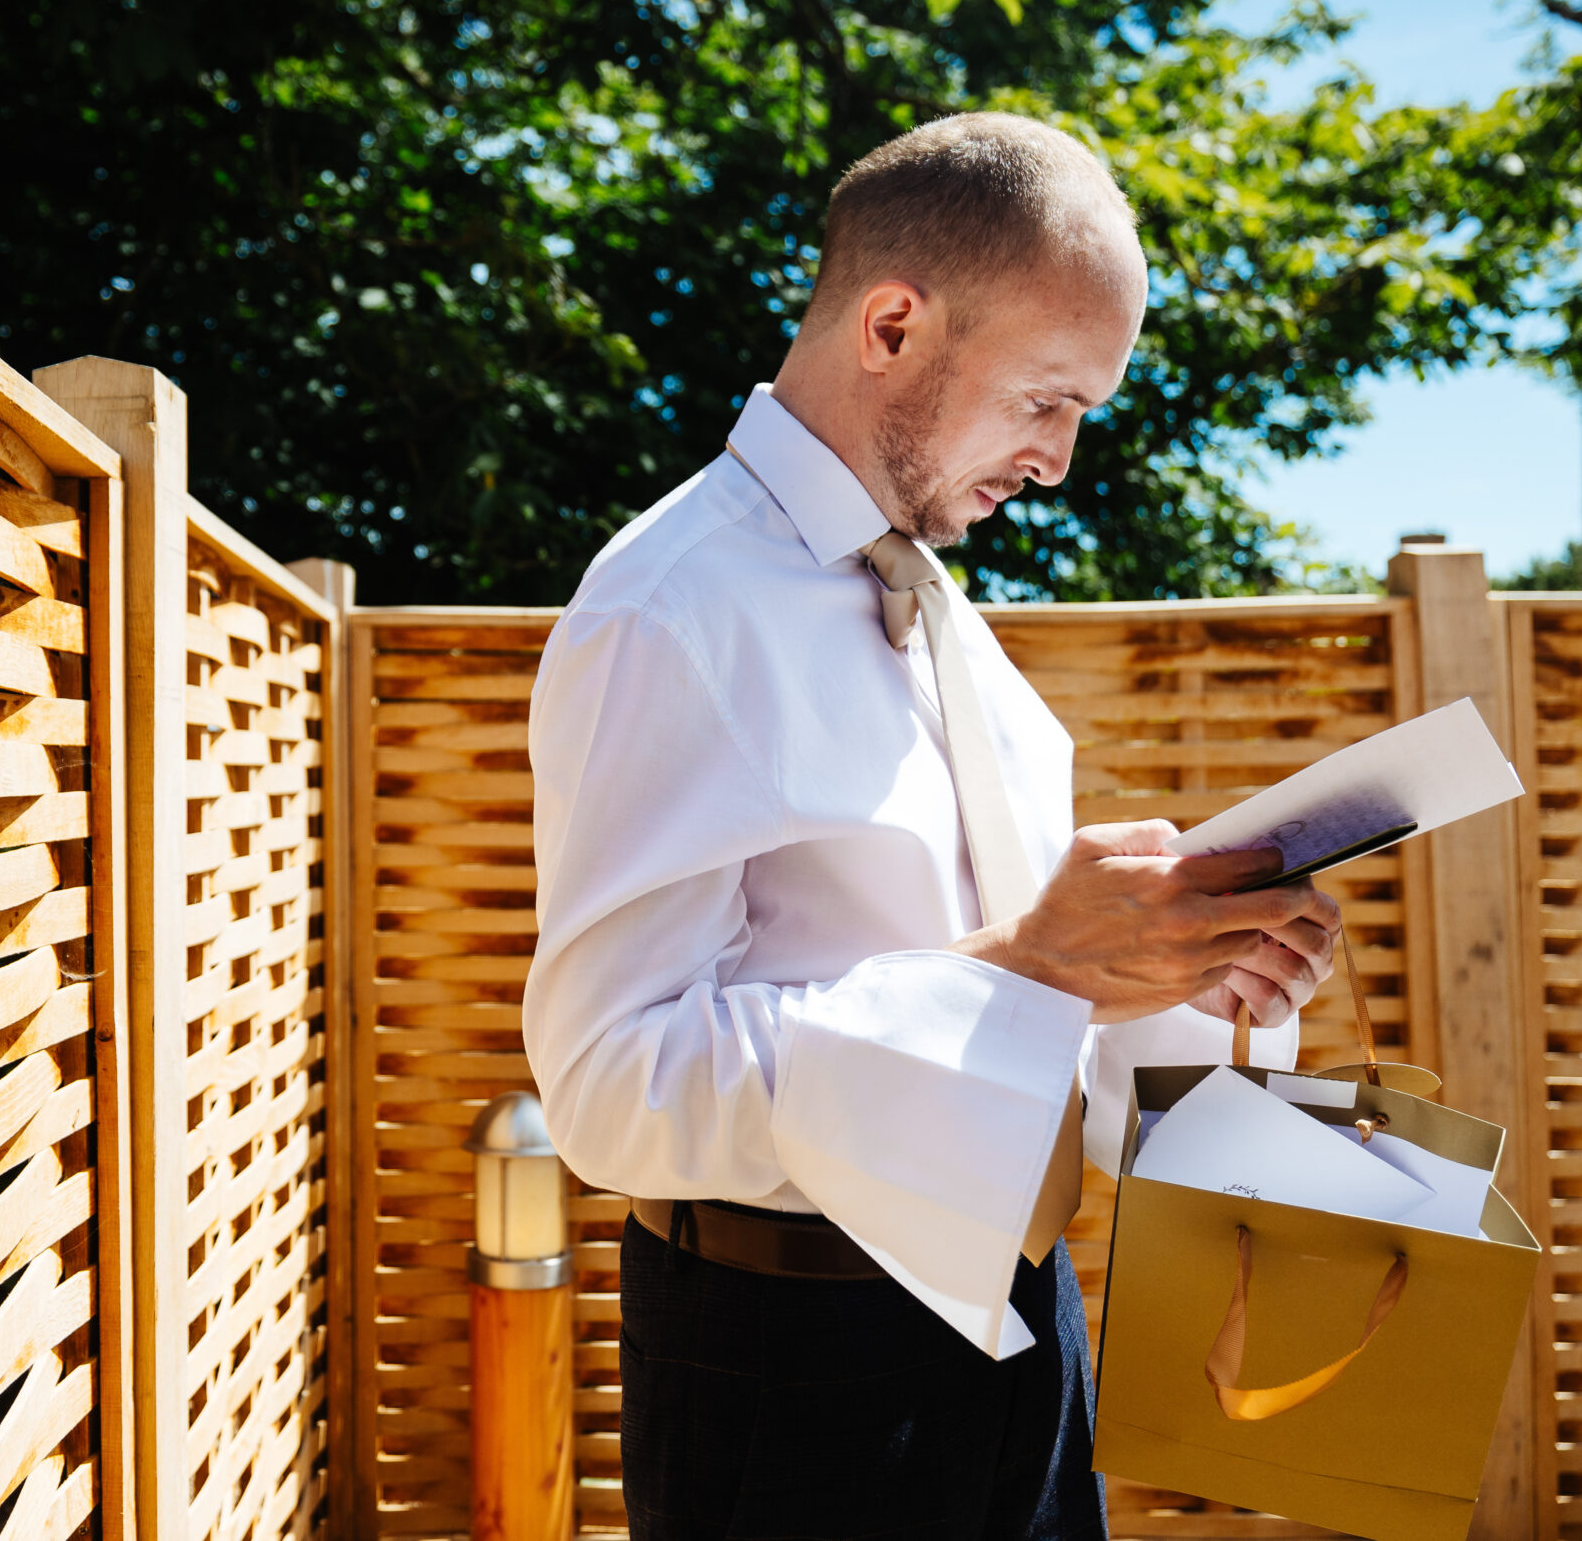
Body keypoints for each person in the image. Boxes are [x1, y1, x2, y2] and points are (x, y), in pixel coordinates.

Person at [520, 112, 1342, 1540]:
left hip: (1027, 1331)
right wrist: (1027, 965)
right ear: (892, 326)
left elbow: (1032, 1017)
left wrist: (1184, 980)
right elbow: (610, 1088)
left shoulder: (958, 630)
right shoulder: (673, 606)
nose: (1061, 461)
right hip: (795, 1369)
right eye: (1043, 399)